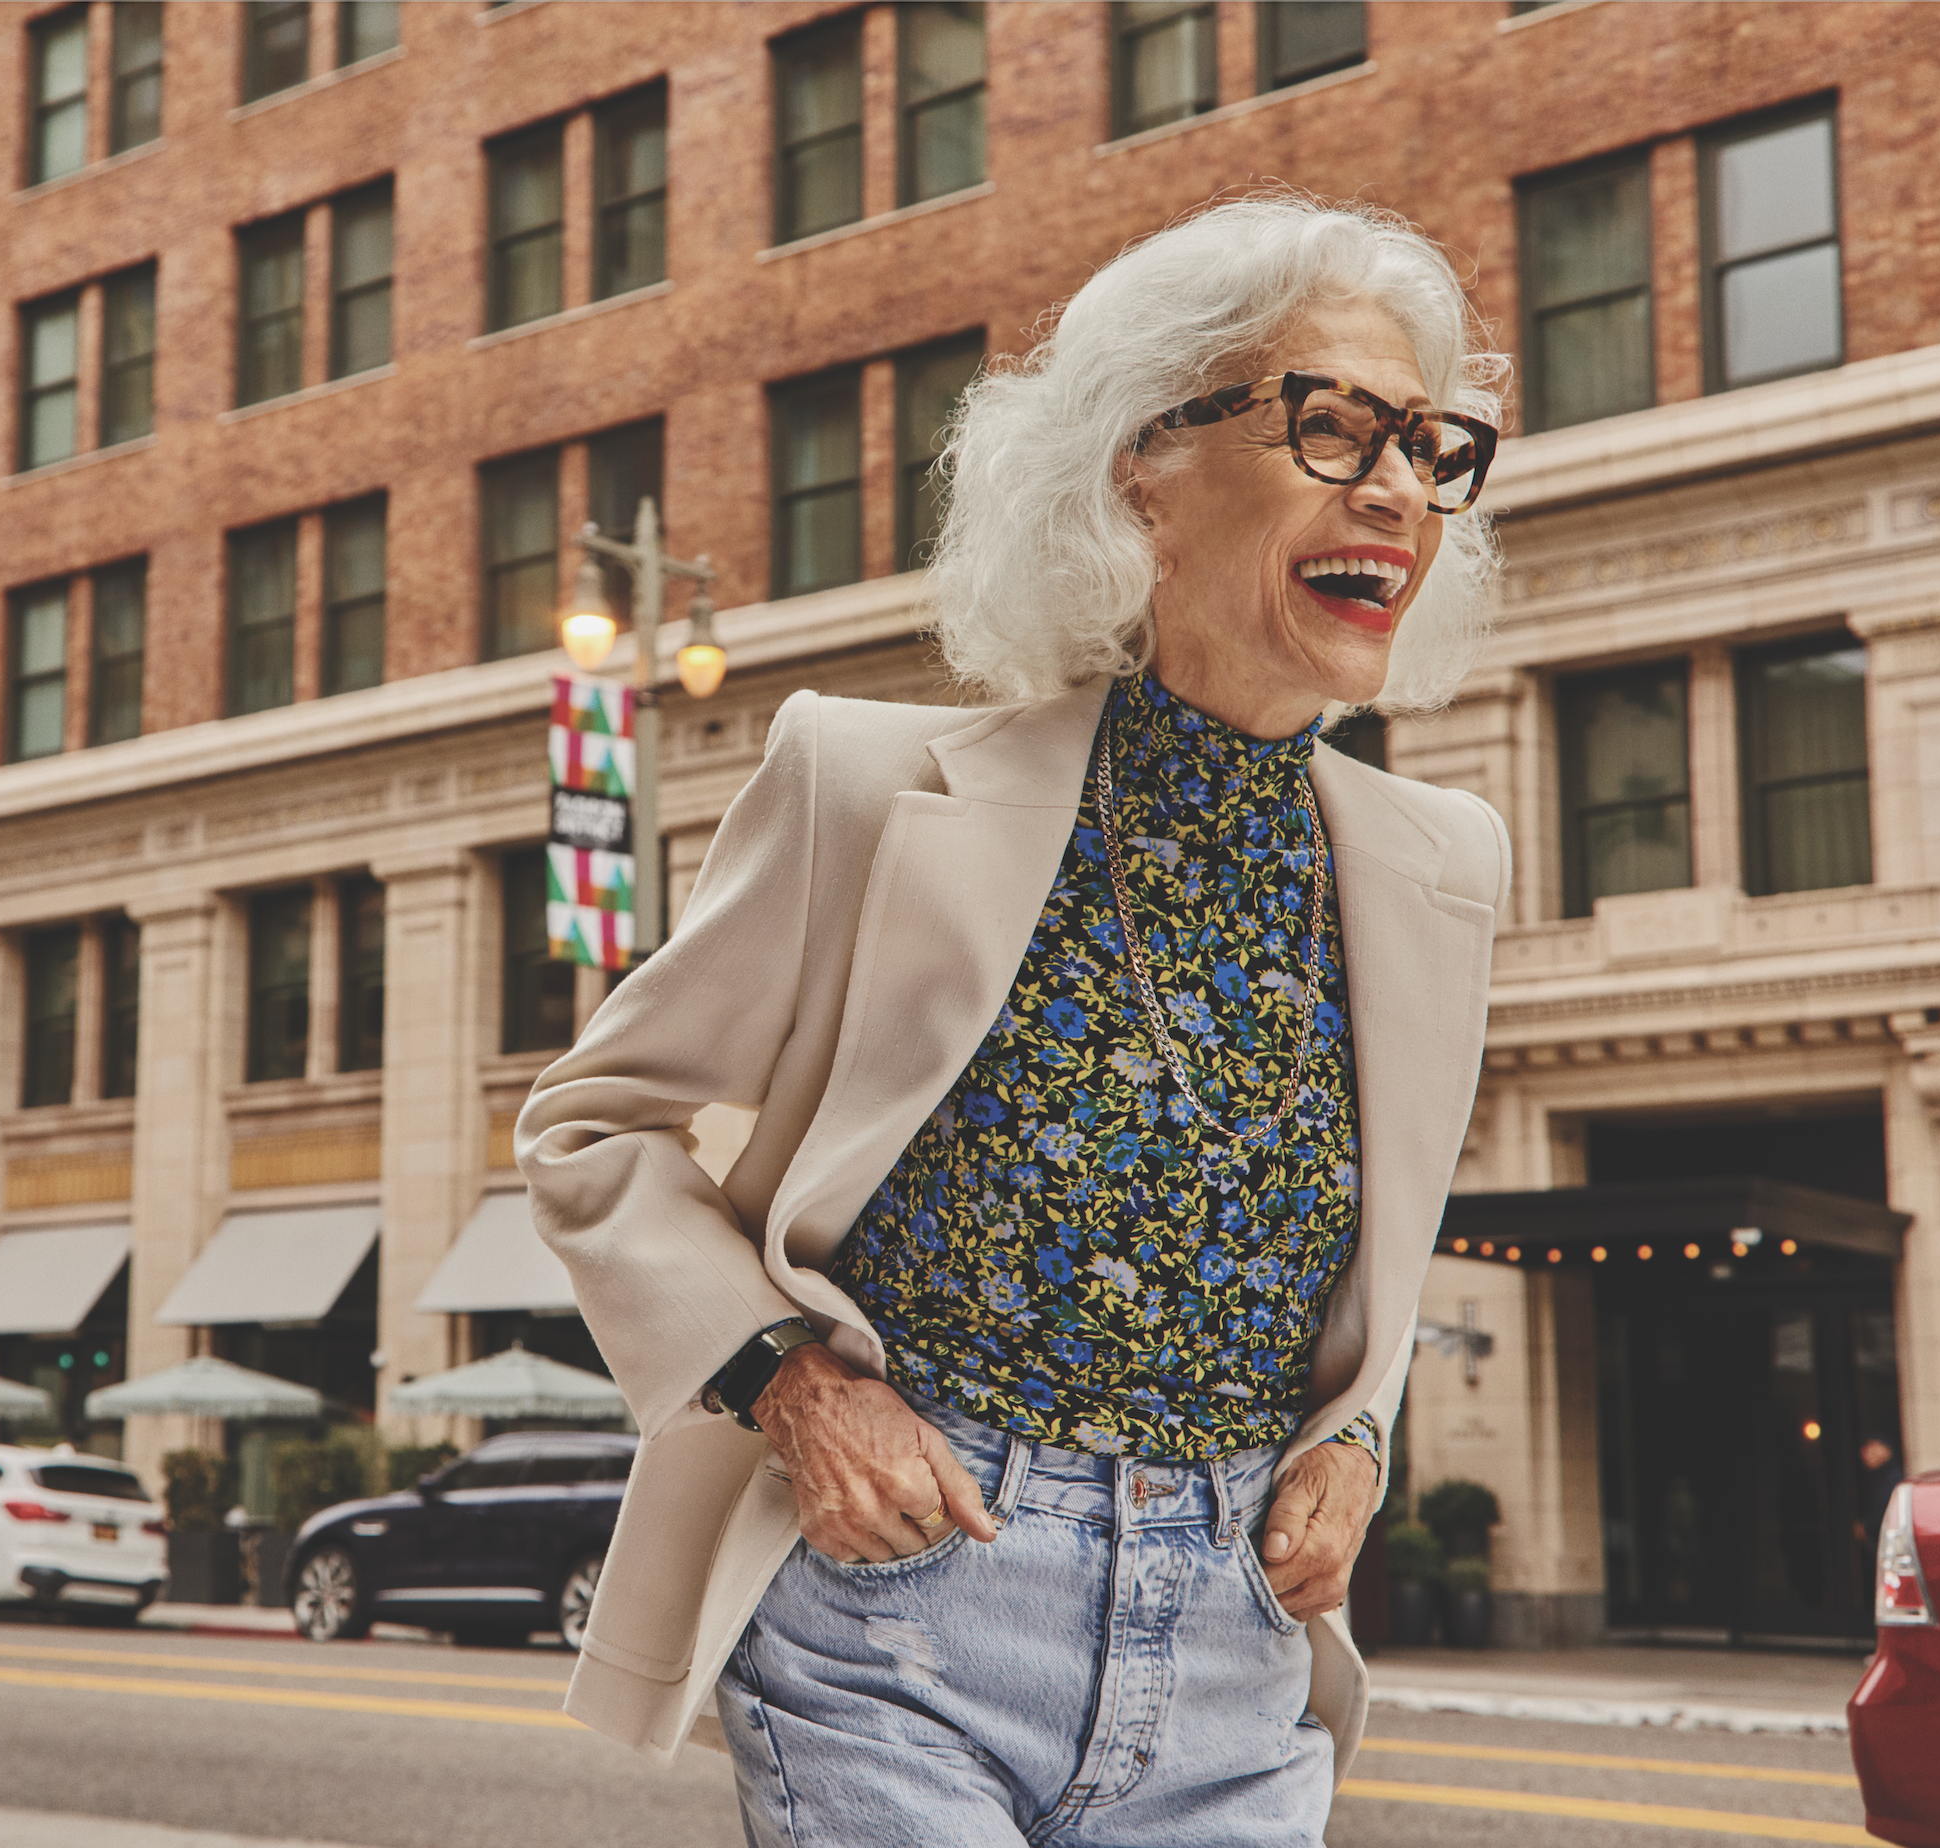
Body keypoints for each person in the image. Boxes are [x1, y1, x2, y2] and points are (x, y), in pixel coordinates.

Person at [517, 194, 1512, 1846]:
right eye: (1333, 426)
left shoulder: (1439, 863)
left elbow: (1372, 1240)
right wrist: (787, 1384)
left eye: (1429, 446)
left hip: (1233, 1654)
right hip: (901, 1611)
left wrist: (1357, 1440)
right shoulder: (862, 781)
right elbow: (593, 1123)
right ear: (1144, 460)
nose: (1397, 490)